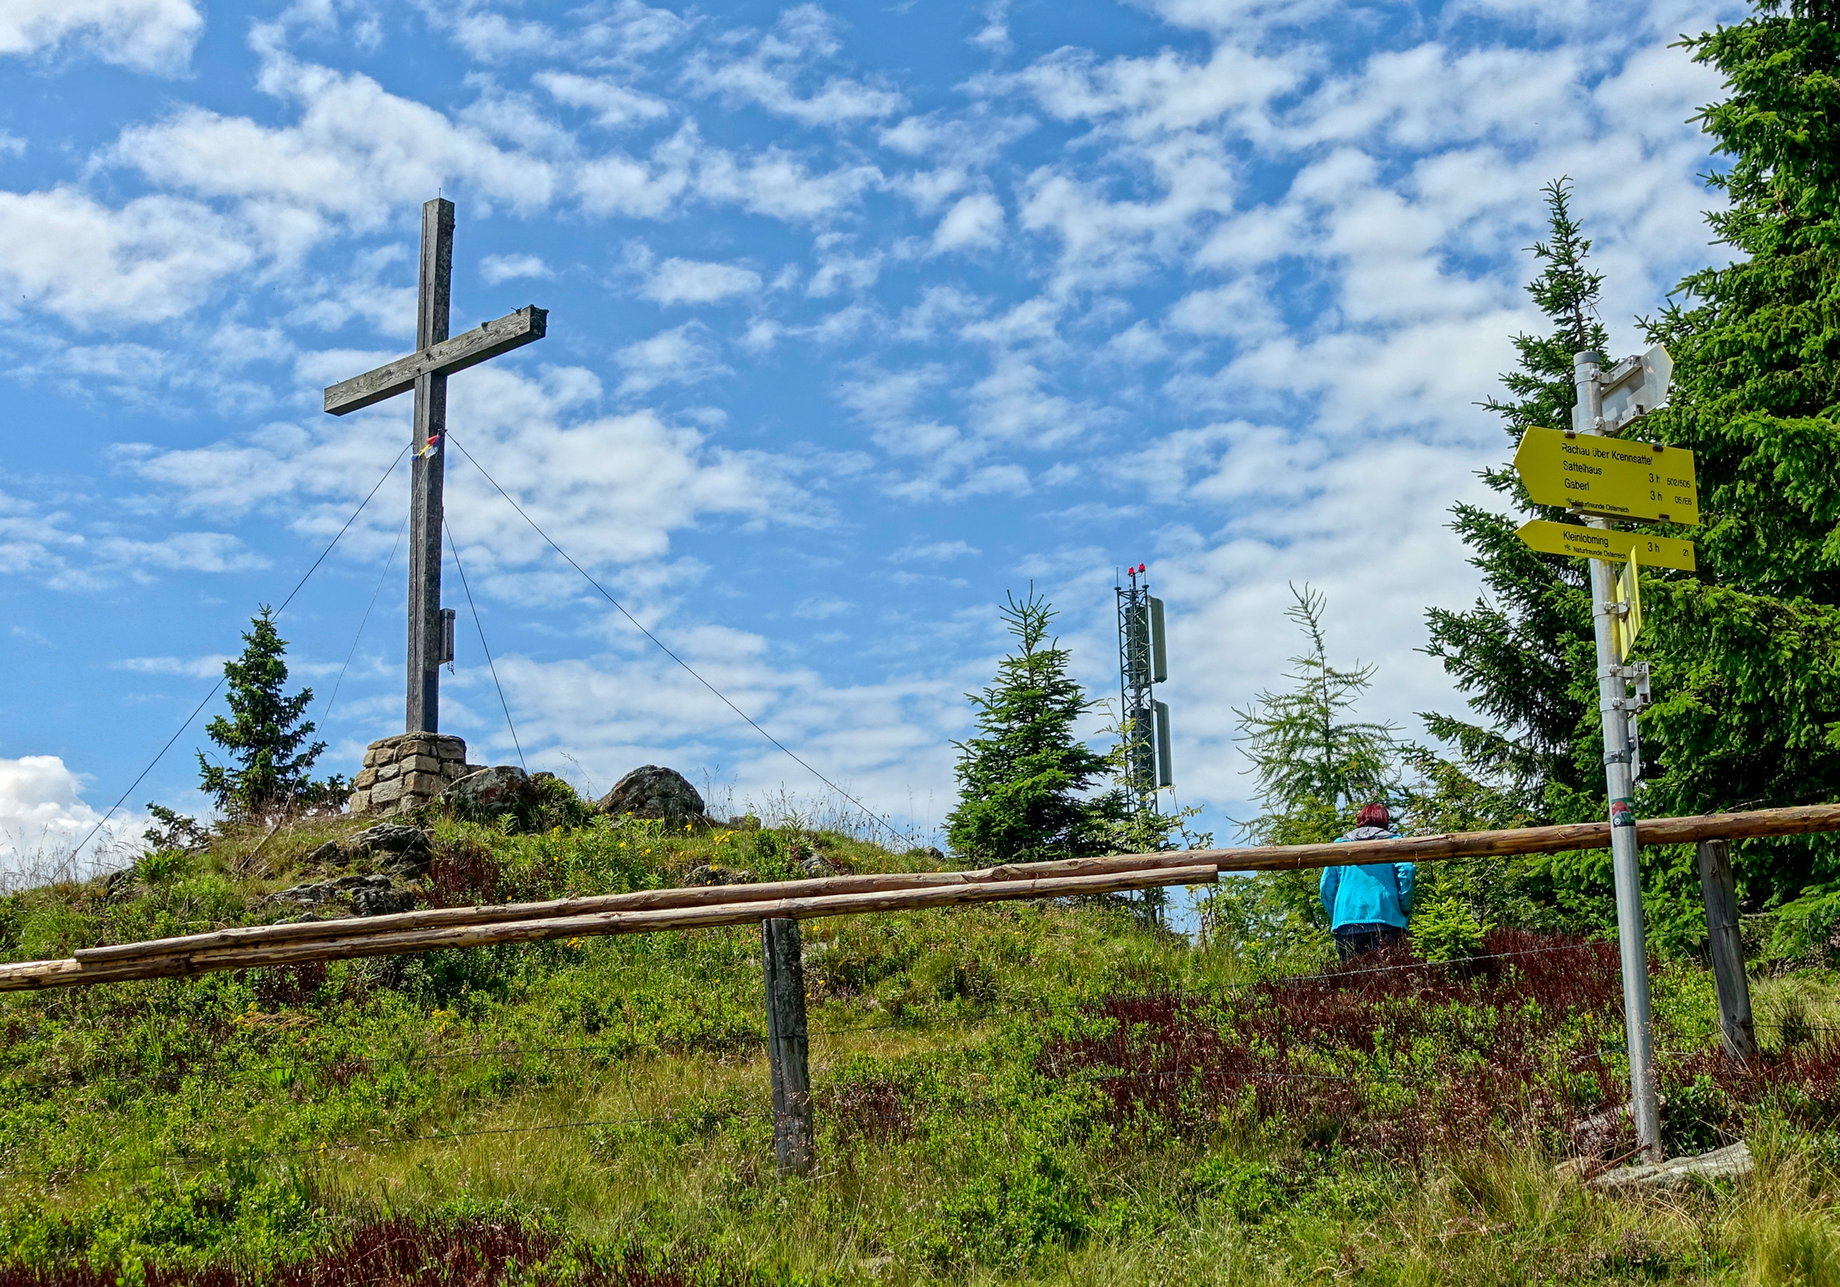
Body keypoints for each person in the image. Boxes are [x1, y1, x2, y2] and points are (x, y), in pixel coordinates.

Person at [1320, 802, 1414, 961]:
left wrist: (1336, 914)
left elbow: (1326, 886)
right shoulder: (1394, 842)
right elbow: (1407, 871)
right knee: (1390, 977)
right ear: (1385, 821)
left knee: (1352, 980)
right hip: (1387, 918)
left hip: (1346, 922)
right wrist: (1403, 907)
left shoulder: (1341, 845)